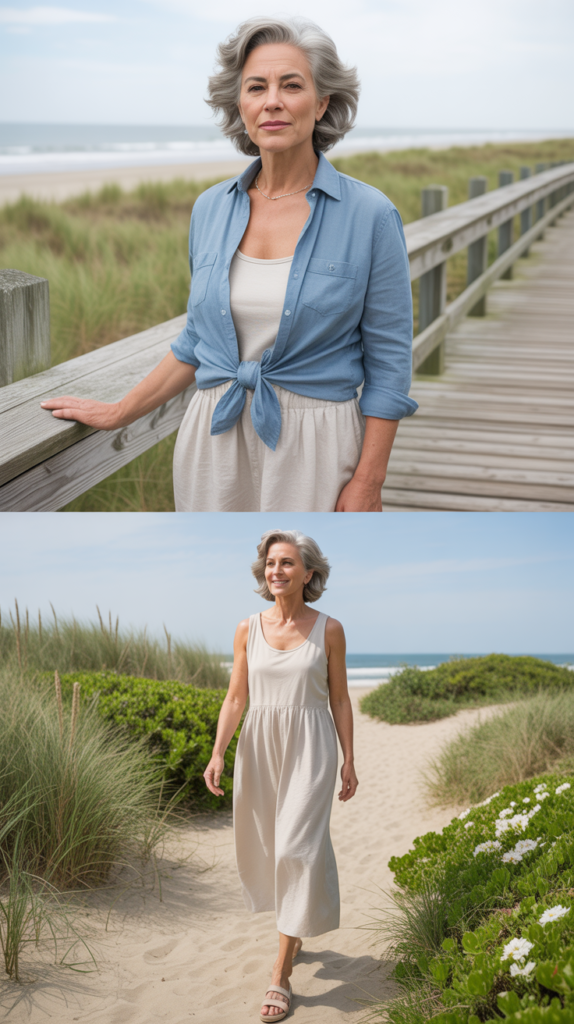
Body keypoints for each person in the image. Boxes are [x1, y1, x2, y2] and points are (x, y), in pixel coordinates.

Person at [40, 16, 417, 512]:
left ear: (322, 102)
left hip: (318, 442)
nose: (272, 101)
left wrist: (369, 480)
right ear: (240, 105)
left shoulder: (370, 215)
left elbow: (390, 367)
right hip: (212, 439)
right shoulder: (209, 209)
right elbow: (197, 342)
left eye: (291, 85)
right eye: (256, 87)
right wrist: (120, 410)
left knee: (307, 580)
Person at [203, 530, 358, 1021]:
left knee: (297, 847)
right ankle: (294, 937)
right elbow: (235, 697)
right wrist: (218, 753)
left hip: (312, 747)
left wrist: (350, 758)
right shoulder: (248, 628)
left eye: (288, 563)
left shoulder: (329, 629)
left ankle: (281, 973)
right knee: (270, 850)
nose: (276, 571)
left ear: (309, 573)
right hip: (259, 746)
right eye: (271, 563)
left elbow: (338, 698)